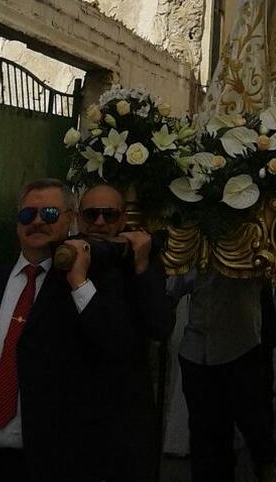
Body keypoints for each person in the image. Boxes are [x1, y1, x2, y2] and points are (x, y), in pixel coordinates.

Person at [0, 178, 133, 482]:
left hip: (52, 463)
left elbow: (114, 345)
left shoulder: (89, 285)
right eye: (28, 215)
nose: (38, 221)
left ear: (70, 220)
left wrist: (79, 281)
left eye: (50, 214)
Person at [76, 184, 175, 480]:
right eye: (92, 214)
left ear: (122, 220)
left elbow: (160, 326)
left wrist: (141, 265)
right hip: (74, 407)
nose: (100, 223)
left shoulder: (139, 265)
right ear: (79, 218)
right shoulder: (68, 262)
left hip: (125, 410)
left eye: (109, 215)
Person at [167, 270, 276, 482]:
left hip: (242, 349)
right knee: (205, 443)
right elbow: (174, 287)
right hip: (197, 352)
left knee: (257, 432)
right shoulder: (194, 246)